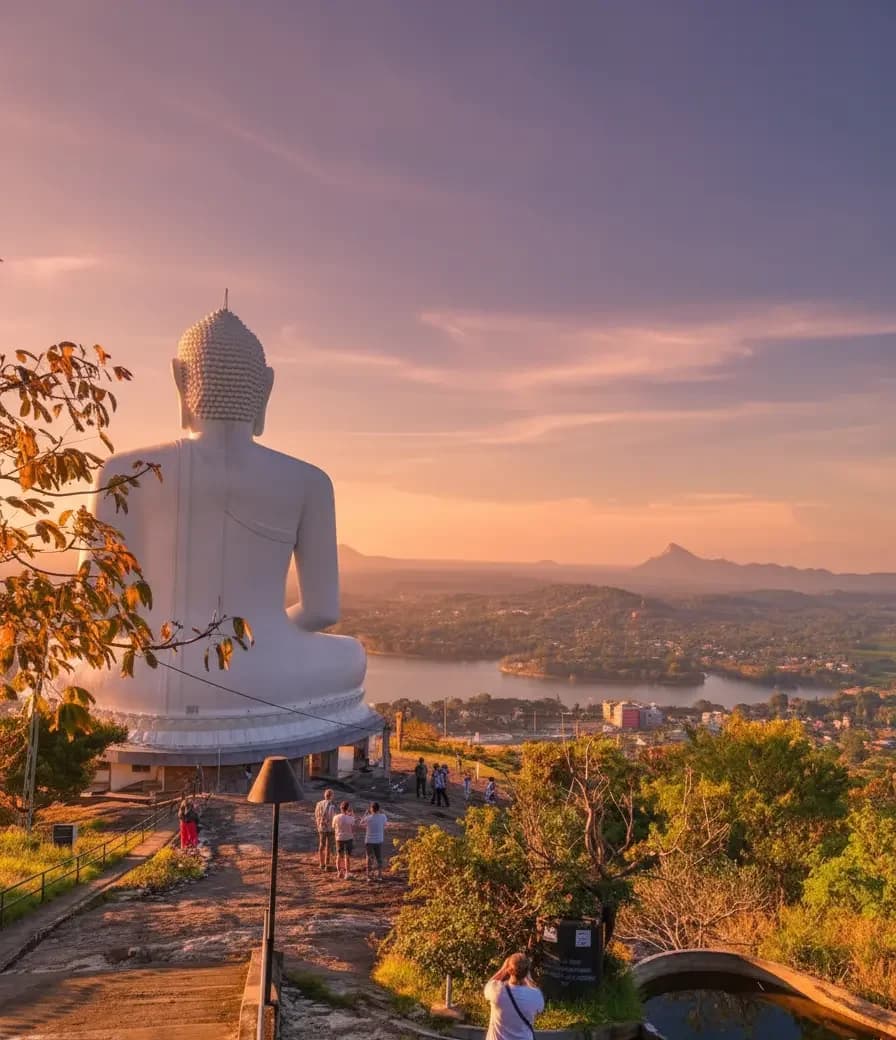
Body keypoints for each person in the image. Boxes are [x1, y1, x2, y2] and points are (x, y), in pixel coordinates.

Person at [484, 953, 544, 1040]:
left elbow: (488, 986)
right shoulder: (536, 995)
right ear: (527, 972)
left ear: (509, 970)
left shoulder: (497, 990)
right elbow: (539, 1007)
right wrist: (528, 977)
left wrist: (503, 969)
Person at [362, 801, 388, 881]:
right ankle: (379, 875)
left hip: (369, 840)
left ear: (371, 809)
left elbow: (361, 823)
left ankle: (369, 876)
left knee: (369, 858)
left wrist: (365, 814)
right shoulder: (383, 816)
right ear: (378, 809)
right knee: (379, 858)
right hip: (379, 840)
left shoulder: (368, 817)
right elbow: (385, 825)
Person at [314, 788, 338, 871]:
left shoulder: (318, 804)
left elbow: (316, 815)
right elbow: (333, 816)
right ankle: (327, 864)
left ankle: (321, 864)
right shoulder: (331, 804)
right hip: (330, 828)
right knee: (328, 846)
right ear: (331, 796)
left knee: (321, 845)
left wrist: (319, 824)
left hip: (321, 827)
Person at [332, 799, 357, 880]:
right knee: (347, 856)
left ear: (341, 808)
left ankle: (339, 872)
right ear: (348, 808)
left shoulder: (336, 817)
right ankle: (347, 873)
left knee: (339, 855)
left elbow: (333, 826)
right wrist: (352, 815)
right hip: (348, 838)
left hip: (339, 838)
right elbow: (353, 826)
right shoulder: (350, 818)